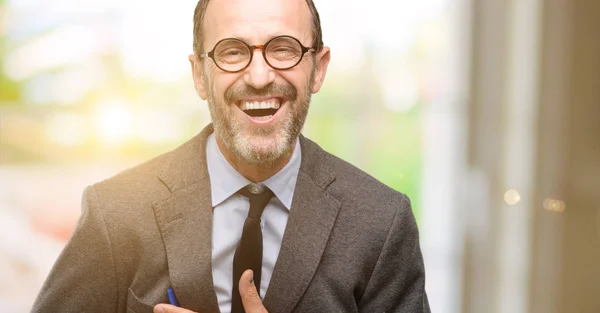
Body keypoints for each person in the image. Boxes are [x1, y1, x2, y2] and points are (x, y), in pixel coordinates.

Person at [31, 0, 430, 312]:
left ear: (318, 68)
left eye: (284, 48)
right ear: (199, 75)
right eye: (233, 52)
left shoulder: (380, 224)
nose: (259, 77)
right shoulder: (116, 212)